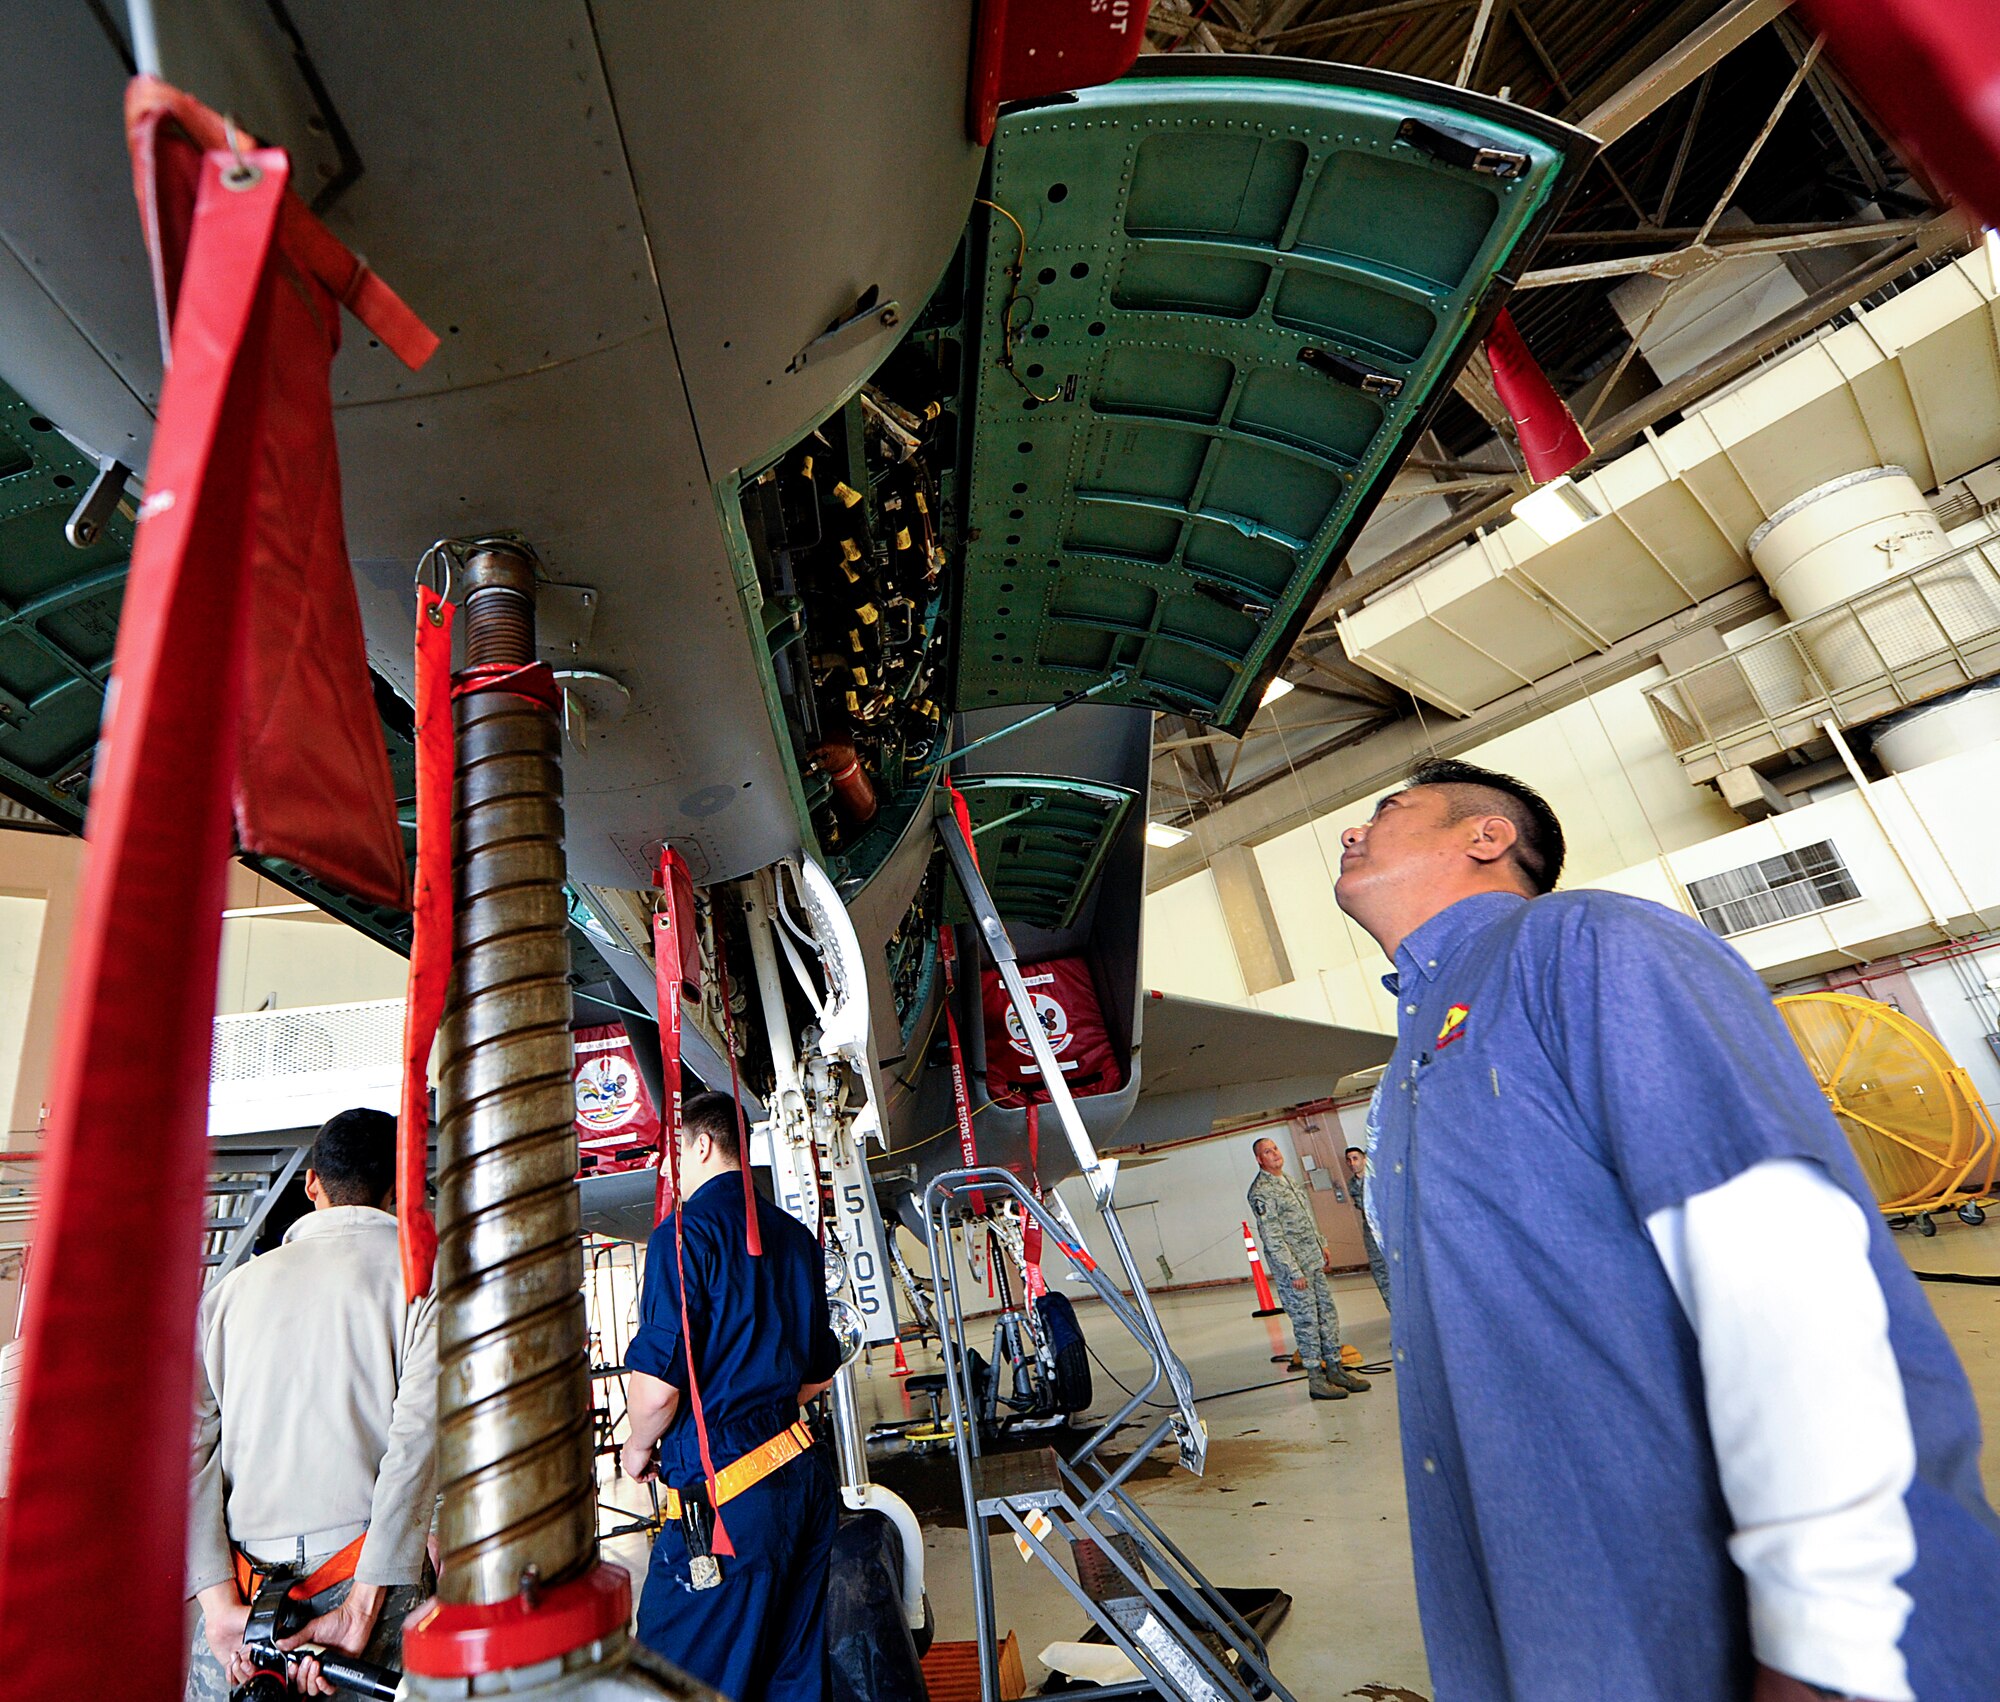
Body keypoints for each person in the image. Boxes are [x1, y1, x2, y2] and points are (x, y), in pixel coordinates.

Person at [1335, 755, 2000, 1702]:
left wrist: (1826, 1642)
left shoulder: (1584, 944)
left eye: (1389, 809)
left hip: (1754, 1639)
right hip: (1573, 1615)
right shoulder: (1413, 1060)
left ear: (1486, 838)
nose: (1352, 830)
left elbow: (1778, 1261)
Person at [186, 1108, 438, 1701]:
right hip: (367, 1587)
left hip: (243, 1603)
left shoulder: (224, 1299)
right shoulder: (422, 1287)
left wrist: (218, 1605)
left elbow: (188, 1450)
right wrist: (361, 1606)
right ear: (401, 1190)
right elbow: (417, 1443)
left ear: (311, 1185)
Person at [622, 1091, 843, 1701]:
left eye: (676, 1154)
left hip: (728, 1499)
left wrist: (638, 1449)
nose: (673, 1170)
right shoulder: (796, 1238)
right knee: (789, 1676)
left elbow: (657, 1391)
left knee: (670, 1679)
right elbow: (818, 1373)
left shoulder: (683, 1235)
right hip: (801, 1481)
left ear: (701, 1144)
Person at [1247, 1136, 1369, 1401]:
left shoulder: (1288, 1180)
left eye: (1275, 1148)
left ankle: (1335, 1368)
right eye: (1268, 1152)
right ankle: (1315, 1379)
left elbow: (1306, 1217)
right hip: (1296, 1272)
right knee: (1307, 1322)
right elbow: (1272, 1237)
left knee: (1327, 1315)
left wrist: (1321, 1243)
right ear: (1259, 1159)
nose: (1275, 1154)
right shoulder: (1261, 1191)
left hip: (1312, 1261)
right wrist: (1293, 1271)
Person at [1343, 1144, 1391, 1313]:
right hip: (1370, 1230)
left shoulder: (1377, 1179)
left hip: (1387, 1227)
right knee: (1381, 1273)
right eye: (1348, 1160)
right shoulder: (1352, 1184)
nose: (1352, 1163)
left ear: (1364, 1159)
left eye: (1355, 1158)